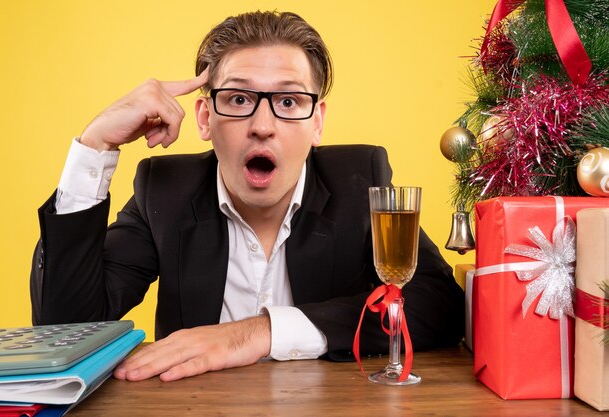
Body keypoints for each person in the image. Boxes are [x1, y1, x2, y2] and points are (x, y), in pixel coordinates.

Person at [30, 10, 464, 382]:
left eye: (289, 102)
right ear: (205, 118)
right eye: (238, 98)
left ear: (317, 123)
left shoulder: (358, 182)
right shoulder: (164, 190)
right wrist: (94, 147)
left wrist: (258, 332)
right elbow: (67, 330)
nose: (262, 125)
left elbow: (438, 306)